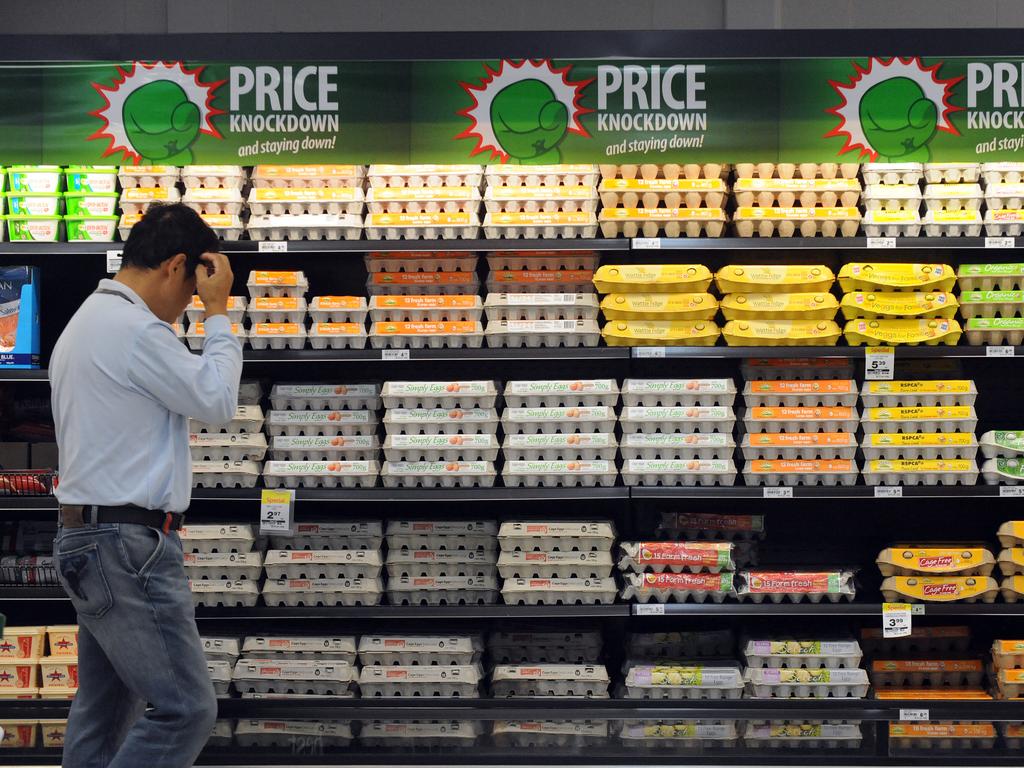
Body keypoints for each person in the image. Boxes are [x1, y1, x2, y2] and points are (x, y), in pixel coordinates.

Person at [49, 203, 243, 768]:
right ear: (176, 265)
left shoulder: (87, 321)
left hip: (88, 538)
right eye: (189, 290)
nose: (186, 305)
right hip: (126, 545)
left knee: (106, 708)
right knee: (185, 709)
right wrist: (218, 313)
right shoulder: (134, 330)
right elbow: (216, 401)